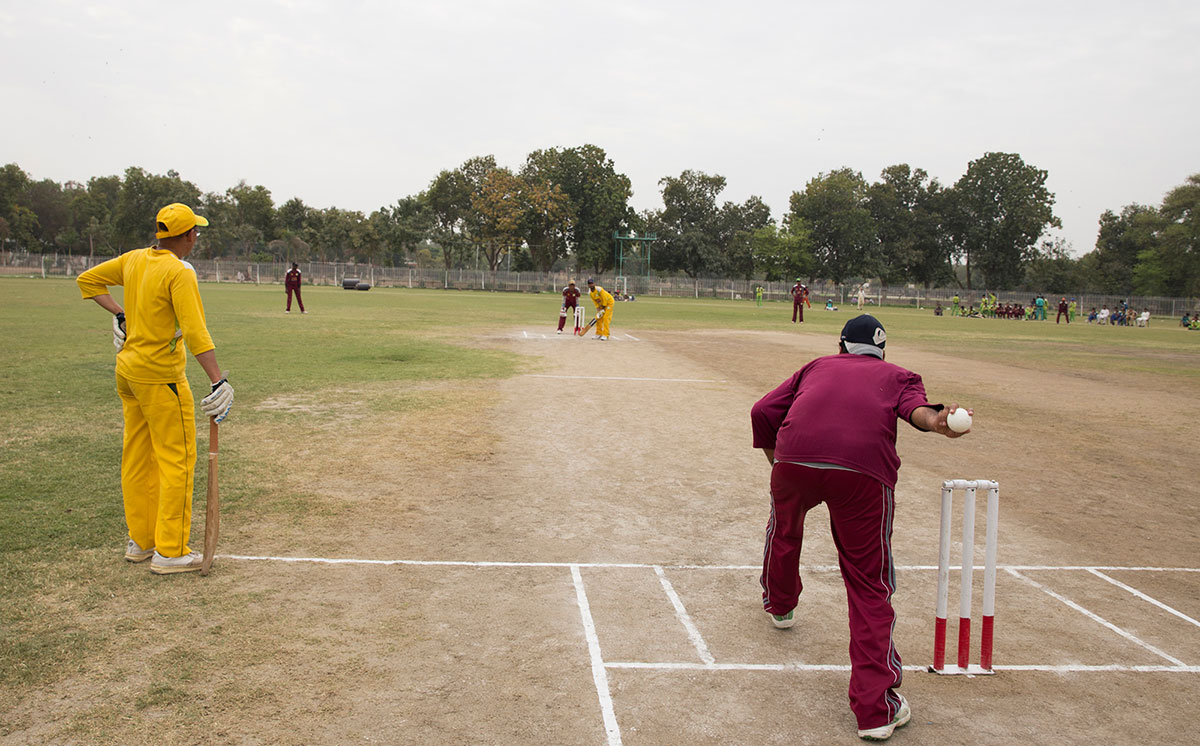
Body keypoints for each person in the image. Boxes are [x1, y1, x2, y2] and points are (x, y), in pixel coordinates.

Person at [751, 314, 970, 741]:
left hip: (795, 462)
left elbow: (762, 410)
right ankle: (876, 711)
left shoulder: (816, 366)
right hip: (862, 473)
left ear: (841, 346)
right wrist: (940, 421)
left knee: (784, 529)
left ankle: (780, 605)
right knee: (868, 582)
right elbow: (919, 414)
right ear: (882, 351)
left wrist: (778, 458)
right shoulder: (900, 376)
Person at [76, 203, 234, 575]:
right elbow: (196, 333)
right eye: (195, 231)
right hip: (161, 378)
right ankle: (171, 550)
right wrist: (217, 379)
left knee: (137, 456)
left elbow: (88, 281)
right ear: (187, 236)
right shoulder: (179, 272)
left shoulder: (134, 259)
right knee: (176, 459)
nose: (196, 236)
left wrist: (121, 313)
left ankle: (142, 541)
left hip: (128, 372)